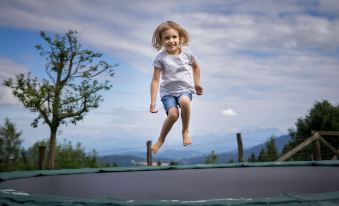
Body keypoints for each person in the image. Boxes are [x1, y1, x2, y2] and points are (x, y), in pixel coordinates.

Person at [149, 20, 203, 153]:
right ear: (161, 41)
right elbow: (155, 80)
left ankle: (185, 131)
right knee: (173, 115)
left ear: (180, 38)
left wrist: (197, 84)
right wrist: (153, 101)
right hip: (167, 92)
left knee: (184, 101)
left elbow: (196, 66)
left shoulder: (187, 54)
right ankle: (161, 139)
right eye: (167, 38)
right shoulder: (160, 58)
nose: (171, 40)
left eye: (174, 37)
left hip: (185, 90)